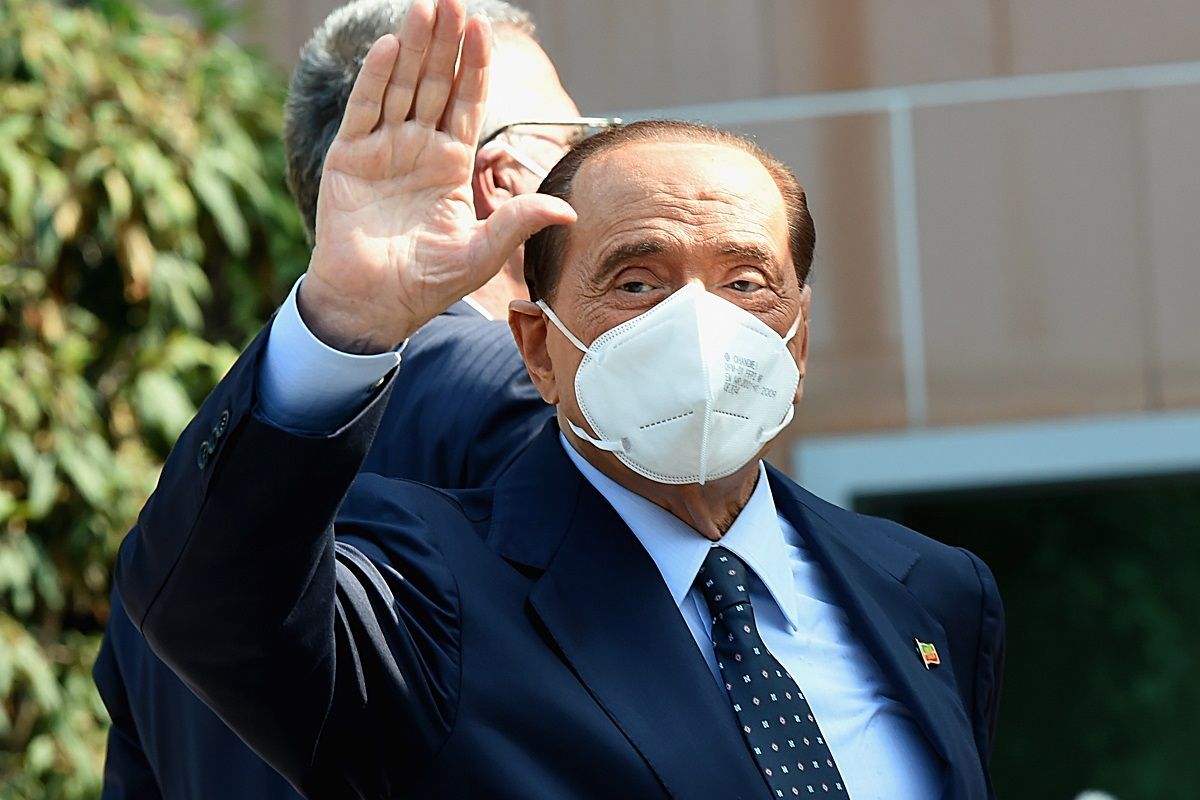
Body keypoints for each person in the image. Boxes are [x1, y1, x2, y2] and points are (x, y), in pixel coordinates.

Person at [114, 1, 1005, 798]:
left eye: (745, 281)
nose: (700, 323)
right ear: (538, 345)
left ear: (798, 338)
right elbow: (217, 610)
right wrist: (344, 318)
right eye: (637, 281)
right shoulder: (432, 581)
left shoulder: (929, 591)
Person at [92, 0, 606, 796]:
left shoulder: (179, 523)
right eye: (580, 143)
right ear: (503, 179)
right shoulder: (532, 403)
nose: (602, 165)